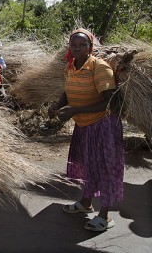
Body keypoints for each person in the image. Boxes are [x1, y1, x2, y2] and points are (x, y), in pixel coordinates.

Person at [48, 28, 124, 232]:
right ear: (69, 47)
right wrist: (57, 106)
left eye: (83, 45)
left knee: (105, 168)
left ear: (90, 47)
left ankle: (105, 216)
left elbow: (111, 103)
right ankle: (86, 203)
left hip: (103, 125)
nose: (78, 48)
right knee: (87, 165)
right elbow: (67, 90)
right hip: (84, 125)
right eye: (74, 45)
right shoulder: (71, 66)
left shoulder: (99, 67)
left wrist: (75, 110)